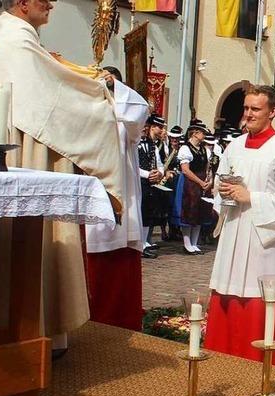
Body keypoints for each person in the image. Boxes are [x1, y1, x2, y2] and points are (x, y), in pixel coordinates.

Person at [0, 0, 124, 355]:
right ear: (22, 4)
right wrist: (95, 89)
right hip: (23, 151)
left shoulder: (4, 38)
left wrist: (57, 67)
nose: (50, 4)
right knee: (36, 230)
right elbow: (54, 104)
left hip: (6, 140)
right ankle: (36, 326)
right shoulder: (18, 43)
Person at [204, 85, 275, 367]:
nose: (248, 114)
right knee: (229, 290)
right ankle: (223, 356)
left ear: (272, 112)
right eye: (246, 108)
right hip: (235, 229)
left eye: (255, 109)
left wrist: (252, 198)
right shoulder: (234, 146)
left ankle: (259, 363)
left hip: (265, 241)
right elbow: (220, 181)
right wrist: (222, 191)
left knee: (258, 299)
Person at [85, 69, 149, 331]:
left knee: (116, 273)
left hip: (119, 203)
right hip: (88, 200)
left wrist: (115, 87)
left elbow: (139, 109)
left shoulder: (125, 121)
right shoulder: (85, 114)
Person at [171, 121, 213, 254]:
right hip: (189, 184)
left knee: (200, 211)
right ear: (195, 133)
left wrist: (208, 180)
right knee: (188, 211)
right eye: (202, 132)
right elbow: (185, 170)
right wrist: (200, 182)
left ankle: (195, 243)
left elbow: (207, 167)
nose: (204, 135)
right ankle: (187, 243)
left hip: (201, 183)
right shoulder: (185, 149)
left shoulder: (204, 149)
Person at [138, 115, 166, 256]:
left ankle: (143, 243)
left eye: (146, 126)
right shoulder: (132, 143)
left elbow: (160, 163)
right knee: (139, 212)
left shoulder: (151, 144)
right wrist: (147, 174)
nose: (144, 128)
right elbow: (130, 164)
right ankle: (138, 244)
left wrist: (159, 173)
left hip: (149, 184)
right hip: (137, 182)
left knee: (147, 213)